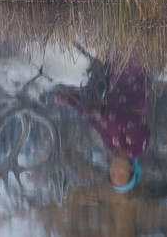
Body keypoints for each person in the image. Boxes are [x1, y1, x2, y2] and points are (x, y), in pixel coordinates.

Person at [54, 56, 151, 193]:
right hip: (132, 90)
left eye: (112, 175)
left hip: (114, 89)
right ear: (131, 169)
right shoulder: (138, 147)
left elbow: (95, 120)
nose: (115, 170)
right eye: (121, 175)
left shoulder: (111, 145)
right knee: (122, 57)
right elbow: (130, 123)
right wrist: (104, 114)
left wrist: (70, 101)